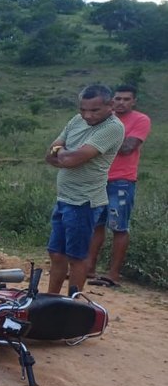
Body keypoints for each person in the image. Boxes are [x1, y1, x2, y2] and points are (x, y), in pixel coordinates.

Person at [45, 84, 124, 295]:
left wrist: (62, 154)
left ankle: (72, 304)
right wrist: (63, 154)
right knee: (56, 254)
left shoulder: (113, 128)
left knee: (77, 257)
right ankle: (51, 299)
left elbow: (72, 158)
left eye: (94, 110)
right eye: (83, 109)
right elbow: (51, 152)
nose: (87, 115)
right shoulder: (76, 120)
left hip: (84, 202)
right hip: (64, 198)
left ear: (110, 106)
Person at [86, 84, 151, 288]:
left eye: (126, 99)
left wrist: (101, 142)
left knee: (119, 227)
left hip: (122, 179)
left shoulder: (140, 120)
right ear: (111, 100)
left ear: (134, 101)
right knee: (95, 224)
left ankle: (113, 274)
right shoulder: (105, 118)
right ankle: (88, 268)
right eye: (118, 99)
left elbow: (127, 148)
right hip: (99, 178)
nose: (121, 103)